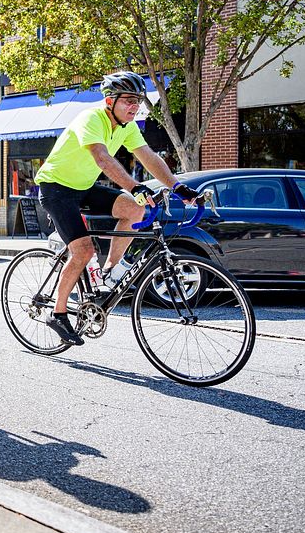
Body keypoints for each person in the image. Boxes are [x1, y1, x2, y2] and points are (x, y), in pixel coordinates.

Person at [33, 71, 198, 346]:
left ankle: (109, 272)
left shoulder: (127, 126)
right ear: (110, 101)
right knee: (83, 251)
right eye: (129, 101)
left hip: (83, 186)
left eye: (138, 101)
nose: (135, 107)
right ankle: (58, 312)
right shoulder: (92, 118)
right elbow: (102, 158)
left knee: (135, 210)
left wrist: (178, 187)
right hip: (56, 188)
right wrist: (135, 186)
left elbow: (148, 157)